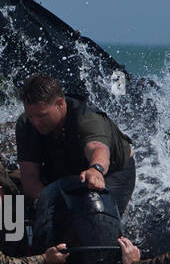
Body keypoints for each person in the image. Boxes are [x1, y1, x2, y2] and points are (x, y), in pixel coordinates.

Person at [14, 74, 136, 215]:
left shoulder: (87, 118)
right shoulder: (26, 124)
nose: (35, 122)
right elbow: (30, 176)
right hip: (66, 166)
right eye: (31, 116)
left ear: (60, 103)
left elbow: (98, 149)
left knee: (96, 212)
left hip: (112, 170)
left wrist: (96, 170)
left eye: (42, 116)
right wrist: (45, 202)